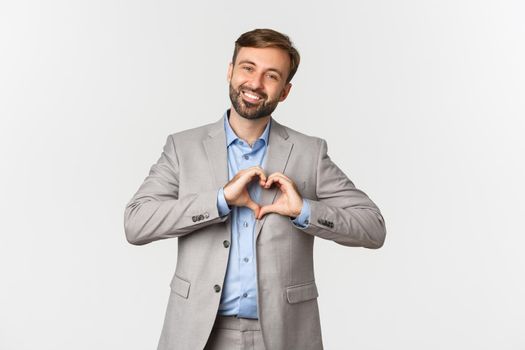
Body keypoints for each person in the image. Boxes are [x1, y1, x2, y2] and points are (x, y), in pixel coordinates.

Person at [124, 28, 386, 350]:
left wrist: (303, 210)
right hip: (198, 334)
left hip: (284, 336)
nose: (256, 84)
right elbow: (136, 223)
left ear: (285, 91)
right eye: (248, 68)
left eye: (271, 75)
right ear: (230, 71)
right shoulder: (182, 148)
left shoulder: (309, 153)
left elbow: (373, 227)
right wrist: (220, 200)